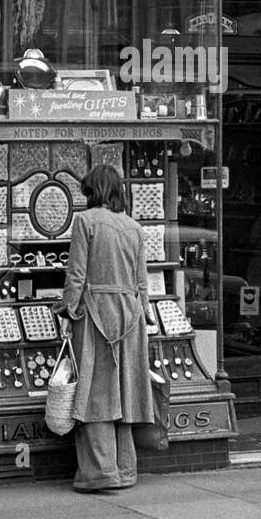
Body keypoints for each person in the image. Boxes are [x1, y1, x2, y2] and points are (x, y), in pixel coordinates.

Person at [52, 163, 155, 492]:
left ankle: (100, 472)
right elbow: (142, 283)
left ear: (93, 191)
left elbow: (77, 275)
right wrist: (144, 316)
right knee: (124, 393)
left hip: (96, 314)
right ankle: (125, 470)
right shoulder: (134, 227)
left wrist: (67, 311)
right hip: (131, 316)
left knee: (96, 393)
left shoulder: (86, 221)